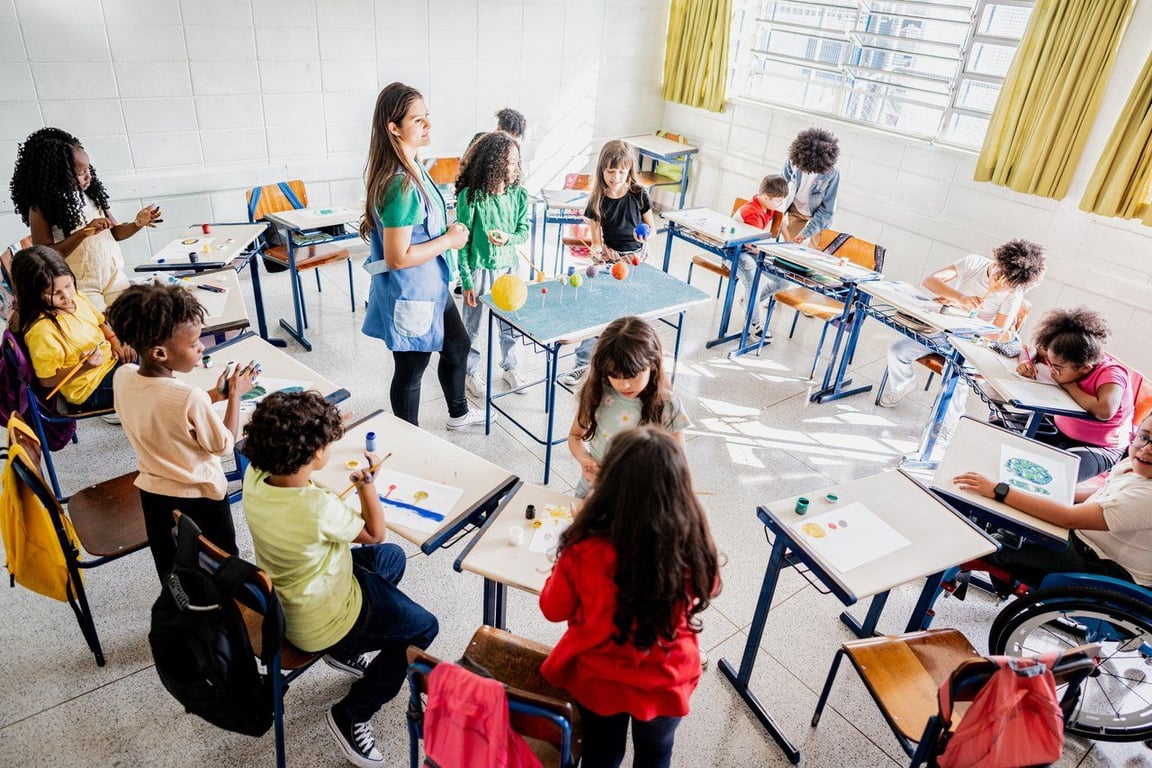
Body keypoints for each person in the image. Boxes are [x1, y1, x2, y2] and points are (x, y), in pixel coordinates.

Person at [241, 391, 439, 768]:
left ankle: (345, 650)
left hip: (290, 596)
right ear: (315, 454)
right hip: (321, 618)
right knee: (424, 628)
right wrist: (367, 484)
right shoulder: (316, 508)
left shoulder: (256, 476)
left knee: (391, 559)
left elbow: (377, 547)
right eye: (328, 443)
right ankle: (352, 713)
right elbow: (375, 531)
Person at [541, 425, 720, 768]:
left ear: (610, 485)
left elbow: (552, 608)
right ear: (679, 490)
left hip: (598, 677)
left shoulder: (584, 548)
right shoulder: (691, 539)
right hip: (666, 676)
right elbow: (707, 586)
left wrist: (570, 549)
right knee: (656, 754)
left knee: (602, 754)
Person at [103, 283, 256, 580]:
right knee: (221, 565)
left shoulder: (124, 376)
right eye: (194, 343)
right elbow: (223, 445)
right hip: (201, 496)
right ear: (160, 352)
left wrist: (215, 394)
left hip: (153, 494)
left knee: (172, 567)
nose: (201, 348)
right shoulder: (189, 398)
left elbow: (161, 409)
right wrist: (236, 394)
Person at [360, 82, 484, 430]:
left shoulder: (414, 166)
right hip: (412, 291)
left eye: (426, 117)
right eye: (418, 120)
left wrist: (448, 233)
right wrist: (449, 240)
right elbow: (397, 257)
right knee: (411, 371)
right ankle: (408, 437)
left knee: (457, 344)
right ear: (394, 127)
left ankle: (458, 413)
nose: (428, 125)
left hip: (431, 286)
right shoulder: (400, 183)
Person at [953, 412, 1152, 588]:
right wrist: (1048, 492)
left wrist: (1000, 490)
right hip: (1083, 542)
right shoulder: (1138, 466)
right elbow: (1101, 492)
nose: (1146, 449)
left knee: (989, 543)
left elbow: (1068, 518)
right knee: (1010, 516)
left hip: (1100, 565)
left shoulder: (1146, 497)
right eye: (1144, 437)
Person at [878, 239, 1047, 411]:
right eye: (999, 277)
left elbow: (996, 333)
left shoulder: (1013, 293)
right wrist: (960, 298)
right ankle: (903, 384)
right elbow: (930, 281)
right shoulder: (974, 263)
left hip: (971, 343)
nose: (1001, 285)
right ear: (996, 261)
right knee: (898, 350)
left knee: (955, 376)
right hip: (941, 332)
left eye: (1008, 284)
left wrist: (963, 312)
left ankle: (945, 426)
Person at [9, 127, 162, 310]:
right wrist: (84, 232)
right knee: (99, 331)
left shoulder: (92, 195)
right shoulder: (41, 207)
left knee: (133, 319)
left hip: (113, 276)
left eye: (88, 168)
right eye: (81, 172)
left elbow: (115, 232)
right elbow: (45, 256)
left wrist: (138, 223)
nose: (88, 175)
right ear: (58, 175)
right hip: (80, 285)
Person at [559, 141, 657, 386]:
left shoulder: (639, 193)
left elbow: (652, 228)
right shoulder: (598, 199)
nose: (616, 177)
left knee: (630, 318)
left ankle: (625, 365)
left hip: (637, 260)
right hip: (610, 263)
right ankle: (582, 364)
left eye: (622, 172)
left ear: (629, 171)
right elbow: (594, 242)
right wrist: (600, 252)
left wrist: (645, 237)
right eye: (611, 172)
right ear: (601, 170)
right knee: (598, 313)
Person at [567, 316, 690, 498]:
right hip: (593, 489)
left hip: (639, 499)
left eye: (632, 375)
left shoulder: (667, 405)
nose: (624, 385)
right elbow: (575, 436)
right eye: (614, 375)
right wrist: (586, 459)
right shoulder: (597, 392)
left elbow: (678, 465)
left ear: (653, 364)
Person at [9, 245, 134, 411]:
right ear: (33, 294)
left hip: (111, 362)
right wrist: (84, 367)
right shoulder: (42, 331)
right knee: (153, 381)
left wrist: (115, 341)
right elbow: (47, 380)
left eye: (68, 285)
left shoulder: (78, 297)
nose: (67, 296)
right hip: (89, 388)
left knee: (159, 350)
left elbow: (99, 322)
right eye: (55, 293)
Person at [1015, 307, 1133, 482]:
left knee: (1057, 475)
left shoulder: (1111, 374)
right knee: (999, 427)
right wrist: (1026, 360)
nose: (1052, 370)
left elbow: (1104, 410)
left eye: (1058, 368)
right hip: (1061, 429)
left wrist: (1069, 385)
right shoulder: (1063, 355)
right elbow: (1030, 349)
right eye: (1051, 363)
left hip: (1099, 447)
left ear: (1085, 368)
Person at [455, 132, 531, 398]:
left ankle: (510, 367)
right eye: (510, 162)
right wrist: (466, 281)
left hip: (509, 270)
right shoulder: (471, 197)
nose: (515, 168)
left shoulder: (519, 194)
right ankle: (469, 372)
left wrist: (508, 238)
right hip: (479, 269)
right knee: (472, 327)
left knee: (510, 322)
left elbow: (524, 231)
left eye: (517, 162)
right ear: (494, 163)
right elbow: (462, 243)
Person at [735, 174, 790, 338]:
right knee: (754, 282)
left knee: (783, 281)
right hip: (736, 253)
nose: (781, 204)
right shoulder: (752, 212)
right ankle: (755, 324)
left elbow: (782, 224)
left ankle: (749, 303)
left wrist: (788, 242)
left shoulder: (767, 206)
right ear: (766, 197)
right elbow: (751, 245)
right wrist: (775, 251)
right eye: (779, 201)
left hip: (752, 252)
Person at [780, 128, 840, 243]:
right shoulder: (794, 159)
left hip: (819, 215)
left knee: (815, 252)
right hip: (796, 210)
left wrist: (806, 232)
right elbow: (780, 184)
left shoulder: (832, 173)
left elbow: (827, 210)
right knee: (788, 247)